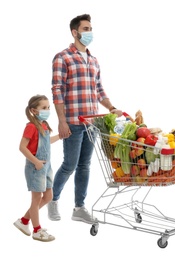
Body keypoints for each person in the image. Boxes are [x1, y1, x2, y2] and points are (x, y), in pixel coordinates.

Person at [47, 14, 122, 223]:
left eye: (91, 28)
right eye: (86, 28)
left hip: (92, 124)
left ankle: (79, 208)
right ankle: (52, 200)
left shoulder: (94, 60)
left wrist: (112, 107)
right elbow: (57, 91)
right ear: (75, 32)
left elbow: (99, 90)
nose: (90, 32)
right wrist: (61, 121)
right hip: (72, 122)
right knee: (69, 165)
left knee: (84, 166)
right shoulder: (62, 57)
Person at [14, 94, 60, 242]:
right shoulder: (31, 127)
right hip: (35, 167)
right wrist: (35, 161)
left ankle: (24, 221)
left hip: (47, 166)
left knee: (48, 196)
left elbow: (46, 142)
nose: (47, 110)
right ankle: (37, 230)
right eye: (44, 108)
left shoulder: (44, 125)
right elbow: (22, 147)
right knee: (36, 199)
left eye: (48, 107)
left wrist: (60, 136)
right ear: (34, 111)